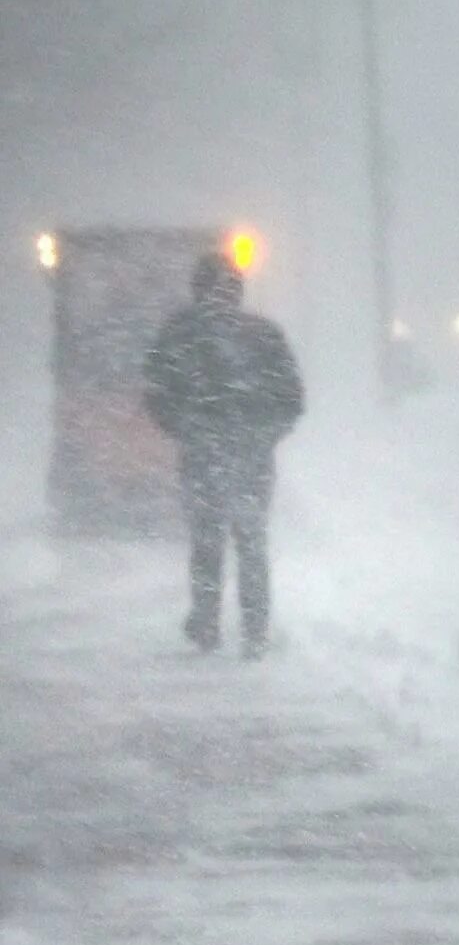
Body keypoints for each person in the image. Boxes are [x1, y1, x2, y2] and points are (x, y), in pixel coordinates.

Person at [144, 254, 305, 657]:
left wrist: (186, 430)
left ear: (197, 288)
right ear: (238, 289)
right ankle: (254, 630)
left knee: (207, 541)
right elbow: (291, 400)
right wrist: (263, 435)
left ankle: (206, 623)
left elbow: (158, 392)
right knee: (251, 541)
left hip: (203, 454)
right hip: (251, 457)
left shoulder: (179, 334)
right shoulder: (264, 335)